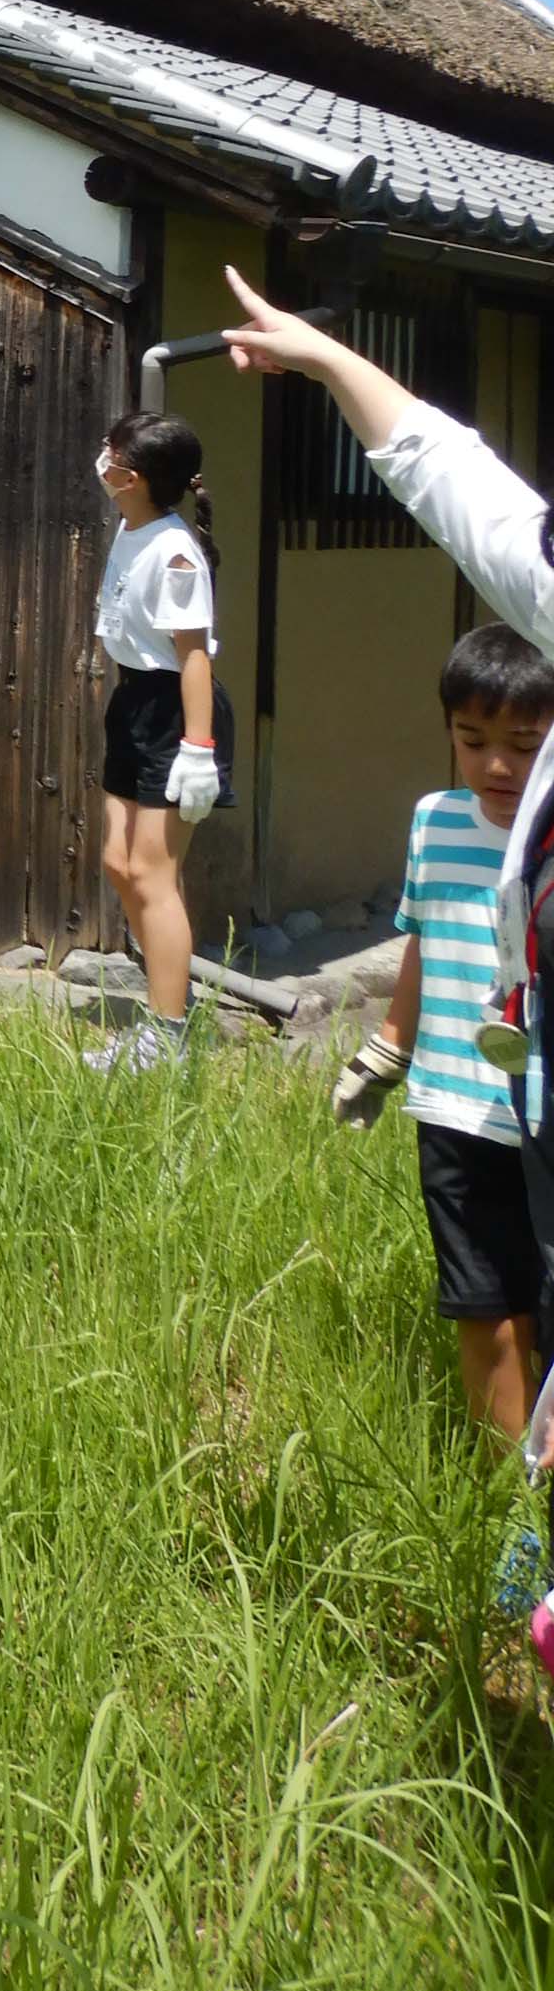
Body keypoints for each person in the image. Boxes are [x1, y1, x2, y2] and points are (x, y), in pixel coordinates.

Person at [221, 271, 554, 1665]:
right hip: (509, 1104)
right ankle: (522, 1579)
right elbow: (457, 478)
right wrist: (324, 357)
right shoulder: (438, 825)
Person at [332, 628, 553, 1493]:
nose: (498, 766)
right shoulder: (434, 822)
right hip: (456, 1109)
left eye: (525, 747)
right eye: (473, 740)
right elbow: (422, 938)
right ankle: (510, 1506)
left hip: (542, 1115)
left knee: (541, 1305)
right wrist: (389, 1049)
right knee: (479, 1305)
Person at [87, 409, 234, 1075]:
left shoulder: (175, 553)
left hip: (177, 710)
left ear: (135, 478)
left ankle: (168, 1036)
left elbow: (195, 656)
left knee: (153, 874)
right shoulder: (131, 524)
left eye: (112, 454)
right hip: (134, 699)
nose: (102, 461)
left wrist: (198, 751)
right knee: (119, 864)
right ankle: (166, 1001)